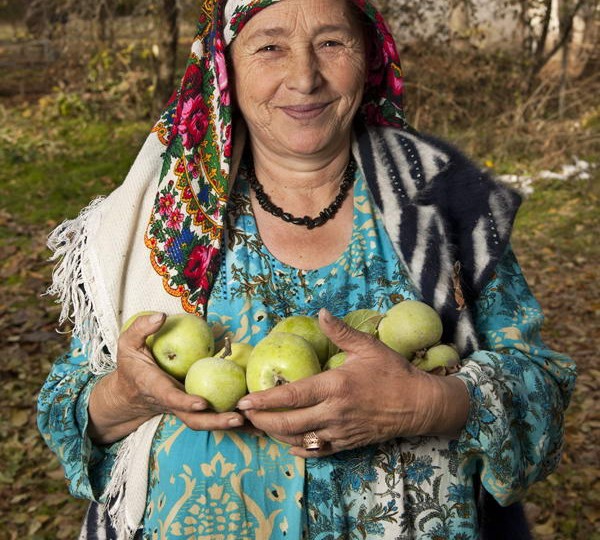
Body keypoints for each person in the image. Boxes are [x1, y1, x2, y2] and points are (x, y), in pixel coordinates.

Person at [38, 0, 576, 538]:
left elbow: (542, 391)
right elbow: (68, 407)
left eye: (330, 43)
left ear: (367, 57)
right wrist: (128, 395)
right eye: (270, 46)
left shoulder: (445, 204)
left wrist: (428, 404)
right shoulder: (162, 217)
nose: (304, 77)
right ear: (224, 67)